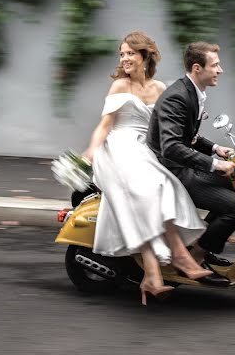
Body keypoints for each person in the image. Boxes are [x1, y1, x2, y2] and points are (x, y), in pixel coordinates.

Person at [82, 31, 213, 305]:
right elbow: (105, 125)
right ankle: (174, 260)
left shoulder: (160, 89)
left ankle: (153, 275)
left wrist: (207, 148)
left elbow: (170, 129)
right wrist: (92, 150)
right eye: (122, 54)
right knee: (148, 187)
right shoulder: (119, 86)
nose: (125, 58)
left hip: (145, 149)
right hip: (118, 147)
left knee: (164, 186)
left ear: (145, 56)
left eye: (130, 53)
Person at [146, 41, 235, 281]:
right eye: (215, 65)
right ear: (197, 68)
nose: (220, 70)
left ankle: (205, 247)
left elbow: (188, 135)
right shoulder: (178, 97)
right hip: (170, 171)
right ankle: (194, 257)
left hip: (180, 165)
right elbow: (171, 147)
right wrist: (214, 163)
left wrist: (214, 148)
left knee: (226, 185)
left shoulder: (192, 91)